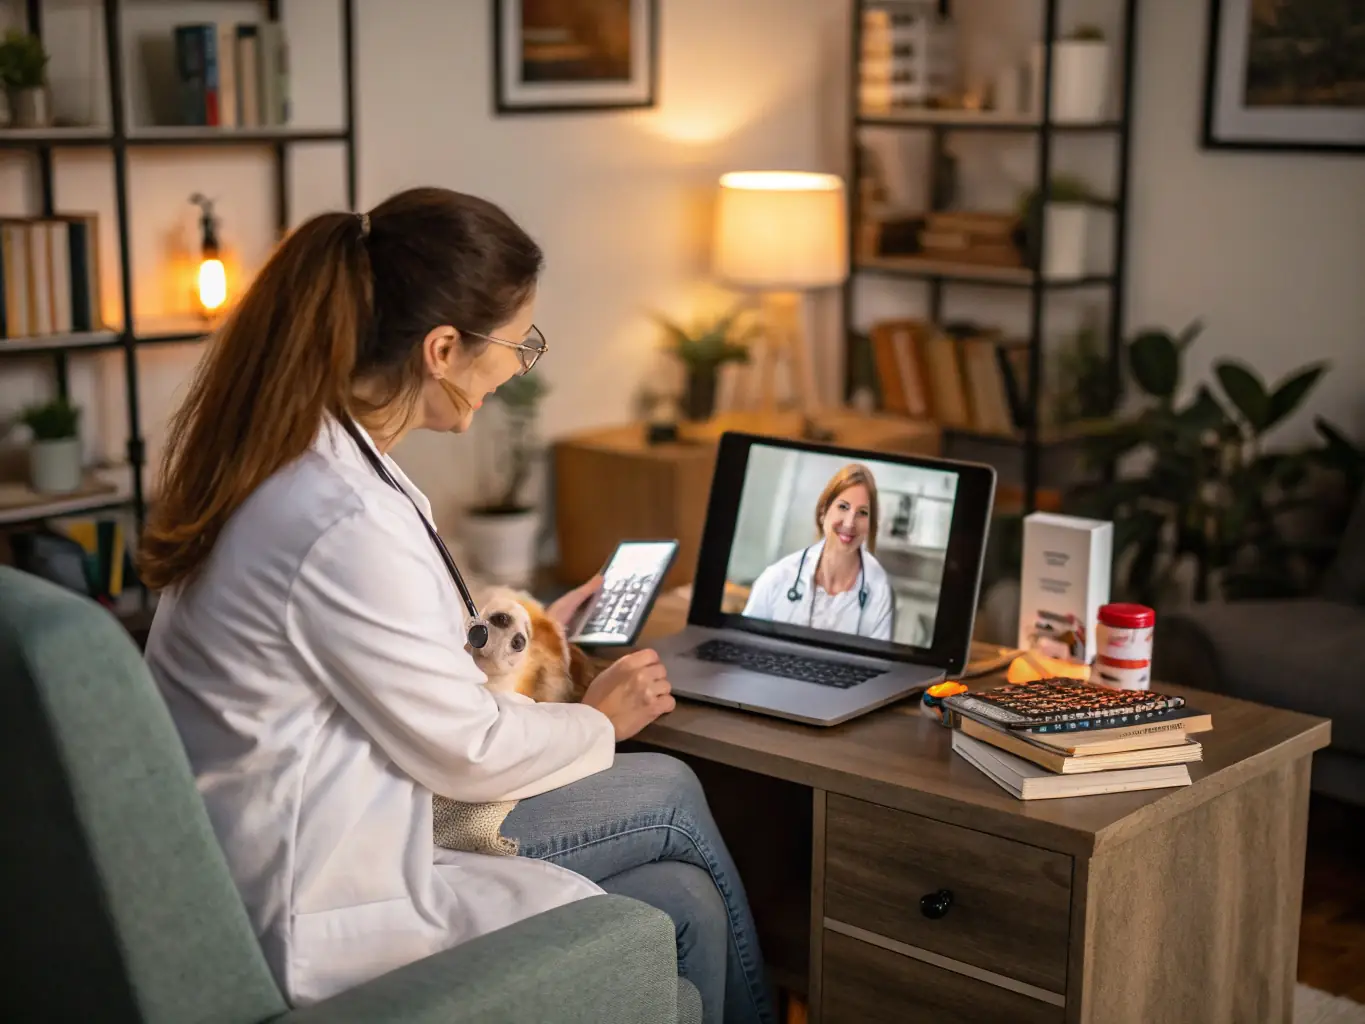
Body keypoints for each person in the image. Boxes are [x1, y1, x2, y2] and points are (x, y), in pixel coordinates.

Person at [139, 187, 775, 1024]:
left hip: (313, 838)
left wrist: (532, 636)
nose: (517, 368)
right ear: (441, 348)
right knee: (666, 789)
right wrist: (598, 717)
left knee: (680, 897)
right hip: (310, 899)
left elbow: (383, 664)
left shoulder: (301, 460)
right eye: (520, 344)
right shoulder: (342, 518)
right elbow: (465, 751)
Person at [742, 463, 895, 640]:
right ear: (823, 512)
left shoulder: (878, 589)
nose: (849, 523)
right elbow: (744, 648)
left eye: (862, 512)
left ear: (870, 524)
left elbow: (876, 664)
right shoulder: (777, 578)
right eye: (843, 507)